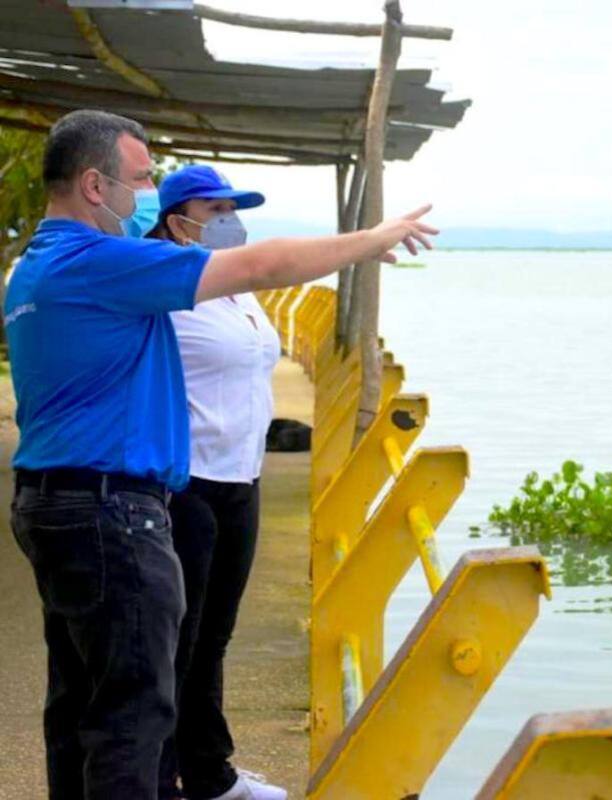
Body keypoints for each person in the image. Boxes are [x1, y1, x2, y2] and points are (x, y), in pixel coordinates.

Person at [5, 109, 435, 799]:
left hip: (55, 501)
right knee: (133, 713)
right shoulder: (98, 263)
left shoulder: (35, 268)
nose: (147, 194)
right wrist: (371, 239)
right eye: (141, 179)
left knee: (80, 701)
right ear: (93, 185)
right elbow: (263, 264)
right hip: (110, 512)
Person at [146, 165, 283, 799]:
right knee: (179, 638)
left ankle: (209, 772)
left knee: (214, 636)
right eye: (215, 210)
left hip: (242, 477)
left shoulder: (238, 288)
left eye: (234, 209)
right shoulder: (164, 288)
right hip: (189, 481)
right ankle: (161, 777)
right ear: (178, 222)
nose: (230, 220)